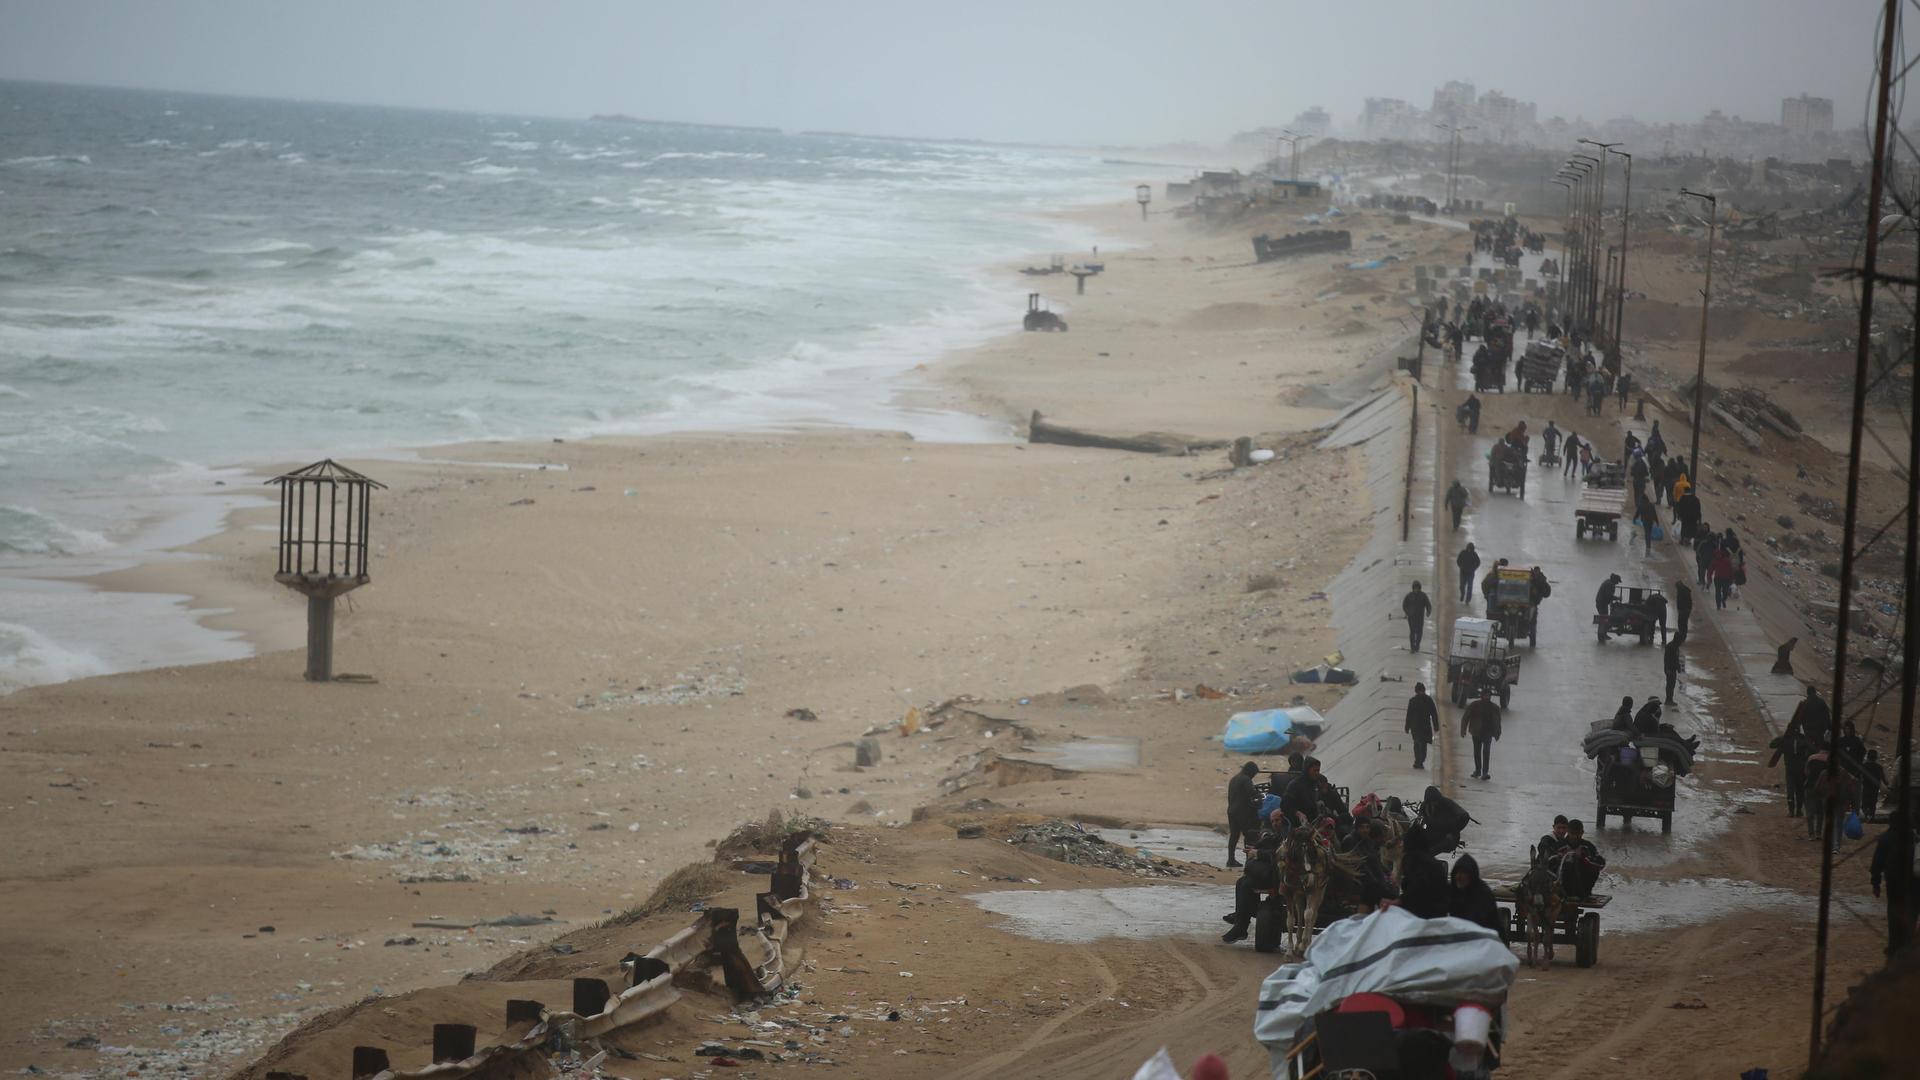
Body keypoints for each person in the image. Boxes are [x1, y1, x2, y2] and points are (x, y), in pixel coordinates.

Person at [1222, 807, 1288, 943]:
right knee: (1242, 882)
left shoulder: (1289, 834)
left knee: (1246, 884)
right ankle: (1241, 921)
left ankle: (1241, 924)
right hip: (1274, 872)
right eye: (1273, 821)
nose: (1275, 823)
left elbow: (1280, 854)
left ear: (1284, 819)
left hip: (1280, 877)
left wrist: (1257, 854)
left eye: (1278, 820)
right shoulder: (1280, 833)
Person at [1869, 812, 1919, 951]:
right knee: (1912, 911)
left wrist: (1876, 883)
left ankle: (1894, 942)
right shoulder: (1914, 838)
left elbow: (1877, 863)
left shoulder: (1886, 838)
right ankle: (1907, 942)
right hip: (1913, 882)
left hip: (1894, 882)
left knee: (1893, 911)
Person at [1447, 854, 1504, 938]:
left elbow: (1478, 921)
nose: (1458, 877)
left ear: (1471, 875)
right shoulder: (1453, 891)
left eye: (1463, 873)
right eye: (1457, 873)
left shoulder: (1483, 894)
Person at [1556, 819, 1607, 897]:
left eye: (1578, 834)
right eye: (1572, 834)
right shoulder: (1559, 846)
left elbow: (1601, 863)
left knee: (1593, 868)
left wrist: (1586, 860)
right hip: (1562, 883)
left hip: (1583, 884)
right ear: (1568, 832)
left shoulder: (1588, 846)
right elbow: (1549, 863)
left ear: (1582, 833)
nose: (1575, 837)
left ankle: (1585, 893)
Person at [1461, 687, 1502, 780]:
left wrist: (1498, 732)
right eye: (1485, 695)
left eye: (1489, 696)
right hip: (1476, 732)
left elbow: (1498, 721)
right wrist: (1463, 730)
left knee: (1486, 752)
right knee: (1477, 752)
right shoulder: (1474, 705)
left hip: (1488, 733)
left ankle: (1485, 772)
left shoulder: (1494, 708)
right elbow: (1466, 717)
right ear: (1482, 696)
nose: (1487, 697)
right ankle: (1478, 770)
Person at [1226, 761, 1260, 867]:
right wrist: (1258, 794)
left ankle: (1231, 859)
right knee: (1249, 835)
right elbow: (1251, 793)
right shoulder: (1246, 779)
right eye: (1254, 774)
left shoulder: (1234, 778)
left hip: (1231, 810)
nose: (1254, 776)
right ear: (1251, 771)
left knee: (1234, 836)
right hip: (1242, 812)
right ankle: (1248, 860)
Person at [1280, 757, 1325, 825]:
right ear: (1307, 770)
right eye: (1314, 770)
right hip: (1300, 823)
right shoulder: (1295, 785)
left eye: (1318, 770)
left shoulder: (1316, 783)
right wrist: (1298, 813)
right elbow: (1284, 805)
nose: (1317, 773)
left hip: (1317, 819)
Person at [1788, 685, 1833, 749]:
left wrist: (1797, 728)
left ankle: (1810, 756)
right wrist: (1829, 727)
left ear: (1807, 693)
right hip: (1819, 730)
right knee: (1819, 746)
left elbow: (1800, 717)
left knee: (1809, 746)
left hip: (1808, 730)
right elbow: (1827, 716)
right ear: (1815, 692)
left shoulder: (1805, 703)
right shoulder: (1821, 702)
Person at [1406, 683, 1439, 770]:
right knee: (1420, 744)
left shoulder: (1414, 701)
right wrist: (1436, 726)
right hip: (1422, 727)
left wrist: (1407, 726)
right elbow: (1434, 714)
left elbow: (1409, 715)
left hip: (1417, 726)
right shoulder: (1427, 700)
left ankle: (1419, 761)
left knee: (1419, 744)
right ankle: (1419, 761)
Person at [1402, 581, 1432, 652]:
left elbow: (1428, 605)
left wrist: (1428, 612)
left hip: (1420, 618)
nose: (1416, 590)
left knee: (1419, 632)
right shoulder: (1409, 596)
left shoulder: (1423, 596)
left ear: (1419, 588)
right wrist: (1407, 612)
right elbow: (1404, 605)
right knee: (1412, 632)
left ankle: (1417, 645)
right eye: (1415, 588)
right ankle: (1412, 647)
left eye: (1417, 588)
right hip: (1411, 618)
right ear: (1413, 588)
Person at [1664, 637, 1683, 705]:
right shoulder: (1670, 647)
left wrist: (1678, 668)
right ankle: (1668, 700)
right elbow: (1667, 659)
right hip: (1670, 669)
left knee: (1672, 684)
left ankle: (1669, 699)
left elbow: (1676, 659)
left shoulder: (1675, 646)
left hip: (1673, 669)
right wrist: (1668, 669)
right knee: (1670, 684)